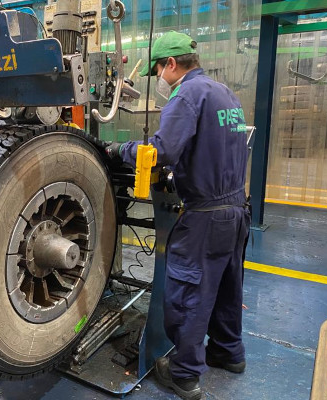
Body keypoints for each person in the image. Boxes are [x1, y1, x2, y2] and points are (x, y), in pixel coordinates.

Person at [105, 31, 251, 400]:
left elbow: (162, 151)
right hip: (236, 210)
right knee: (226, 288)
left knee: (188, 293)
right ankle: (228, 352)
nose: (159, 80)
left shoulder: (186, 94)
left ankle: (184, 374)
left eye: (158, 71)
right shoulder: (224, 93)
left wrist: (116, 148)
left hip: (204, 216)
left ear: (170, 64)